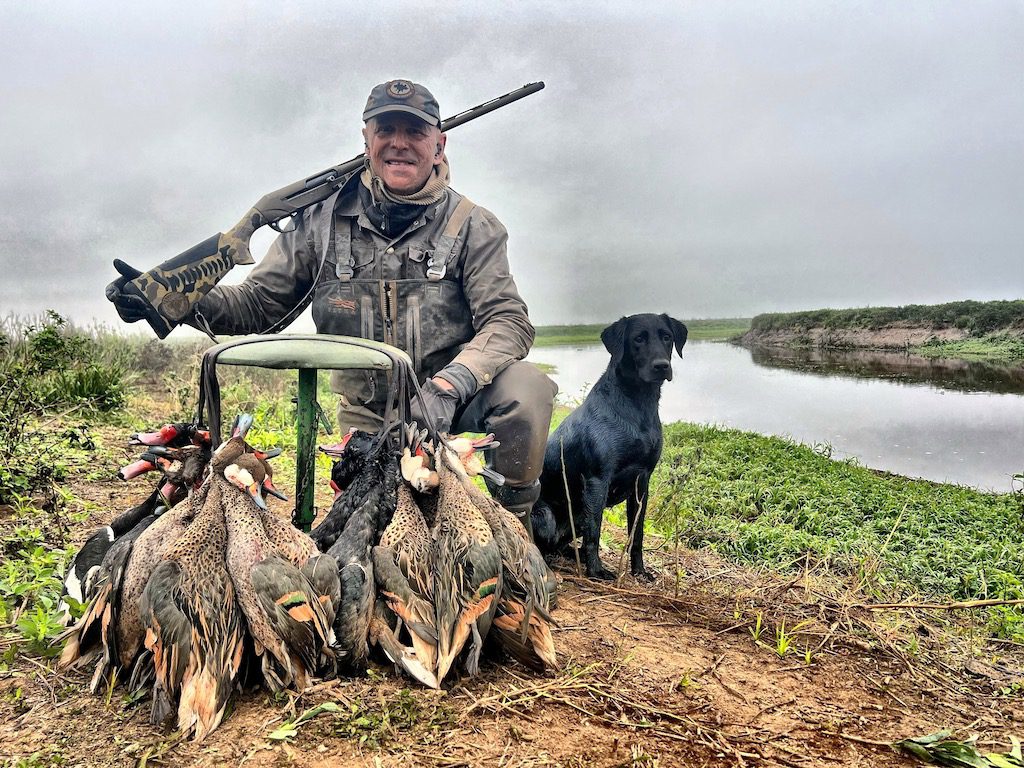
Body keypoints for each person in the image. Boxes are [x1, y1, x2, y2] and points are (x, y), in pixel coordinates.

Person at [111, 79, 556, 535]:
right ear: (366, 139)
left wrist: (448, 386)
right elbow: (257, 305)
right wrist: (175, 298)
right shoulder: (318, 221)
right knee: (372, 535)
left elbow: (508, 322)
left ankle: (515, 531)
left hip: (456, 403)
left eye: (416, 132)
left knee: (528, 389)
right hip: (371, 412)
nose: (399, 143)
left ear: (439, 145)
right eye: (386, 129)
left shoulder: (474, 225)